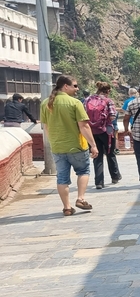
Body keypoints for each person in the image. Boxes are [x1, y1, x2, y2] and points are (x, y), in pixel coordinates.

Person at [40, 75, 97, 216]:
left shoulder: (45, 104)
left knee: (62, 178)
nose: (77, 89)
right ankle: (81, 198)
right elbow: (84, 126)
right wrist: (93, 145)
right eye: (75, 86)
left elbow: (45, 127)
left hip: (58, 147)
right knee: (83, 171)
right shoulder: (75, 103)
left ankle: (66, 207)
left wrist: (53, 142)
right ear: (66, 86)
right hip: (76, 146)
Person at [84, 81, 122, 189]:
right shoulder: (108, 101)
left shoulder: (87, 100)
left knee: (97, 156)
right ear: (108, 91)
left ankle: (99, 182)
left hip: (92, 132)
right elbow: (113, 116)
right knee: (110, 154)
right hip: (106, 132)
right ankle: (115, 176)